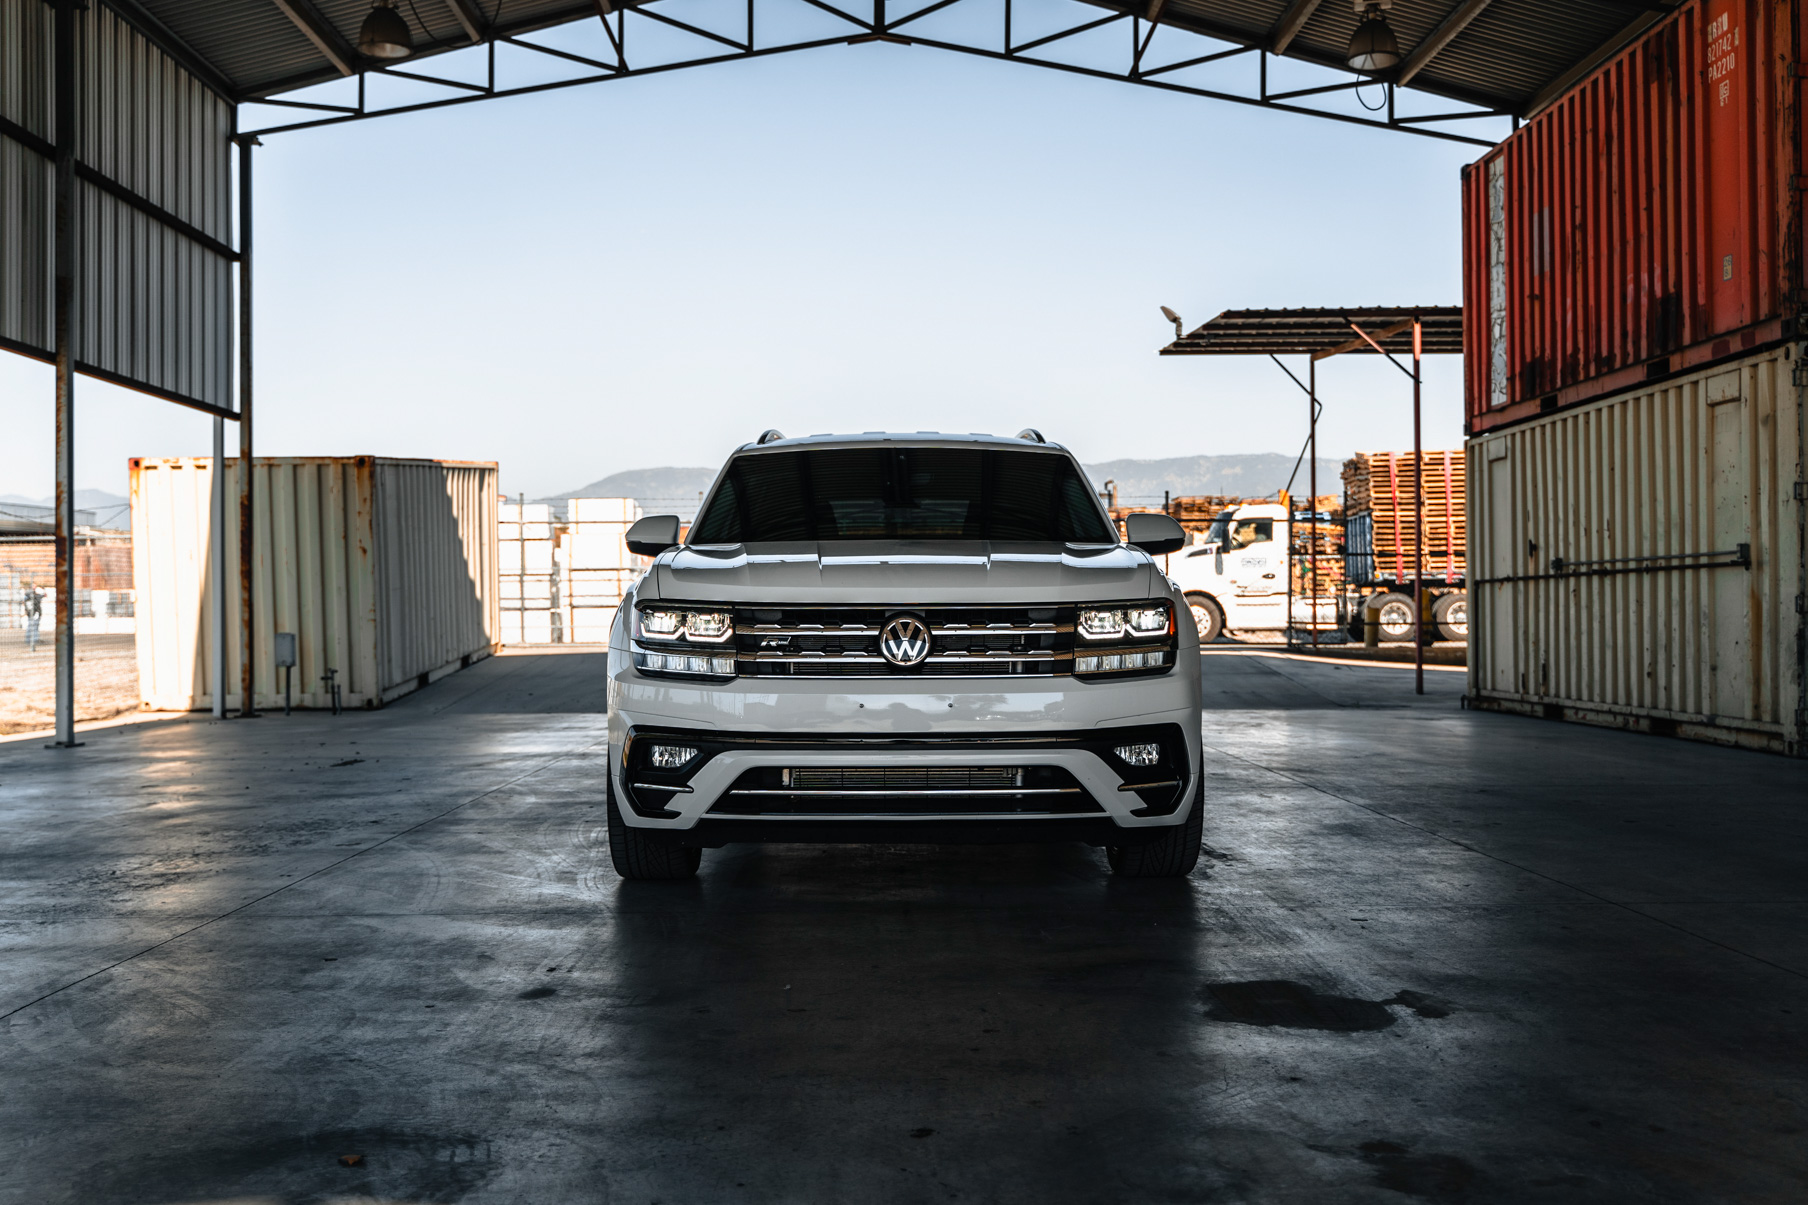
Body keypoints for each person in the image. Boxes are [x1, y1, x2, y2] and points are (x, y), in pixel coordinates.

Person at [22, 583, 42, 652]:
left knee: (33, 626)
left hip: (33, 612)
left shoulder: (29, 595)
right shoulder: (30, 595)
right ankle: (32, 640)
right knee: (32, 626)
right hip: (33, 612)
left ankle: (32, 640)